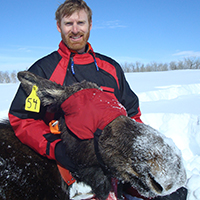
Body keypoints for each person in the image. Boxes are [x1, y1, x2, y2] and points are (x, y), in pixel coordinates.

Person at [9, 1, 186, 200]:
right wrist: (56, 149)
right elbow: (22, 119)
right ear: (59, 26)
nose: (75, 30)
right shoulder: (43, 69)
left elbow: (132, 114)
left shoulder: (110, 68)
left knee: (174, 195)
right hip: (66, 166)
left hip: (114, 160)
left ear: (90, 25)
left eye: (81, 23)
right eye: (68, 24)